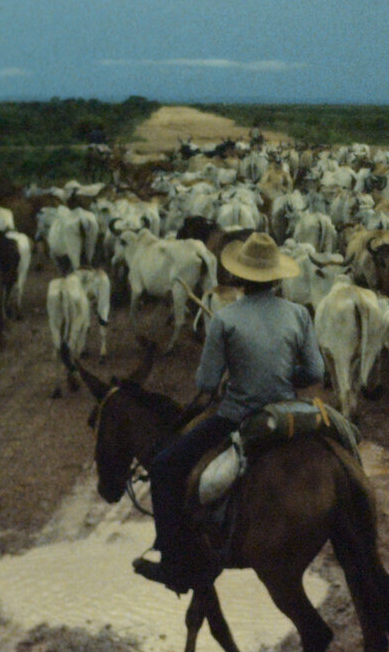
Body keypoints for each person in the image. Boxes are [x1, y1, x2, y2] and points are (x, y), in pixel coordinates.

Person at [134, 231, 325, 593]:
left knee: (163, 467)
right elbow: (315, 373)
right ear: (277, 277)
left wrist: (231, 375)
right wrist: (284, 375)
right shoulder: (299, 314)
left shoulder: (225, 319)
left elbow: (206, 381)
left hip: (238, 415)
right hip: (285, 409)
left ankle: (174, 564)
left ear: (239, 276)